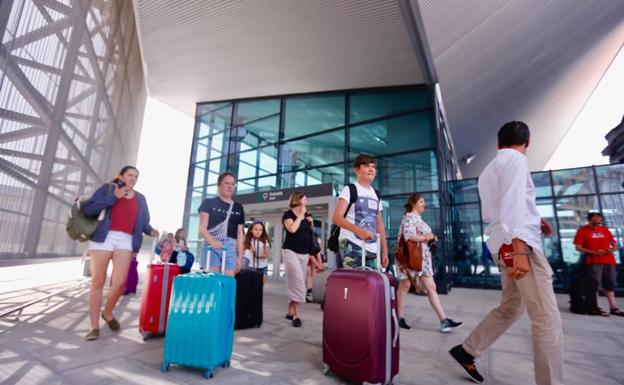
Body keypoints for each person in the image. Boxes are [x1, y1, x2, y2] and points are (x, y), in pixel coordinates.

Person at [449, 121, 563, 385]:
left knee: (513, 306)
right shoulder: (517, 160)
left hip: (503, 245)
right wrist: (519, 246)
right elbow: (512, 202)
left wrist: (534, 221)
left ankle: (466, 351)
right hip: (518, 246)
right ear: (527, 143)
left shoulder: (489, 169)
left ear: (498, 142)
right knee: (546, 319)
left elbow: (499, 209)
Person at [83, 166, 159, 341]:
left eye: (136, 176)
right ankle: (94, 327)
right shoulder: (108, 189)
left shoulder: (140, 198)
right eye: (130, 175)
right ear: (121, 176)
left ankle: (107, 313)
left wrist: (152, 231)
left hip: (126, 239)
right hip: (103, 237)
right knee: (98, 281)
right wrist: (112, 198)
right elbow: (90, 210)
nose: (133, 178)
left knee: (119, 283)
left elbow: (144, 223)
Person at [396, 193, 463, 332]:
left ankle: (443, 320)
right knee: (405, 287)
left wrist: (430, 237)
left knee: (429, 287)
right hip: (412, 259)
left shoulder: (417, 219)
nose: (423, 205)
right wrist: (428, 236)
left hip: (421, 260)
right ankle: (398, 317)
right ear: (413, 203)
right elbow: (409, 236)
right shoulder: (410, 218)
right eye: (421, 202)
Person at [331, 154, 389, 270]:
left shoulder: (377, 194)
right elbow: (336, 217)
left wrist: (385, 250)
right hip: (351, 243)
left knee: (371, 285)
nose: (371, 169)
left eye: (373, 166)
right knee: (354, 284)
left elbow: (379, 224)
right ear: (356, 170)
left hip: (373, 247)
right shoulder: (350, 189)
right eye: (367, 166)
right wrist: (359, 231)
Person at [573, 211, 622, 316]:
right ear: (590, 219)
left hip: (609, 261)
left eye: (600, 217)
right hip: (593, 262)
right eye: (597, 217)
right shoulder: (582, 230)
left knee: (610, 284)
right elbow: (578, 247)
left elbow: (614, 243)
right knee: (594, 286)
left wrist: (612, 249)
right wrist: (595, 252)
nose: (600, 219)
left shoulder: (605, 230)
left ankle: (613, 307)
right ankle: (595, 307)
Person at [198, 172, 245, 275]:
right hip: (212, 246)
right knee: (213, 282)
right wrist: (213, 242)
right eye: (226, 183)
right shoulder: (208, 203)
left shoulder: (238, 207)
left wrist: (240, 256)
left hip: (231, 248)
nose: (230, 186)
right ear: (219, 185)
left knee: (228, 282)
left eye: (233, 184)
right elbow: (202, 228)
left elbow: (240, 233)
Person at [282, 191, 315, 327]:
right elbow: (292, 229)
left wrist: (310, 224)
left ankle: (290, 311)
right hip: (291, 251)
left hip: (304, 253)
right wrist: (301, 215)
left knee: (297, 281)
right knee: (297, 281)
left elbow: (308, 234)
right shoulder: (288, 215)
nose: (306, 202)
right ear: (297, 200)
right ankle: (296, 315)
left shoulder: (307, 217)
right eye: (305, 199)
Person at [243, 219, 272, 285]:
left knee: (260, 287)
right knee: (251, 287)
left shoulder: (265, 241)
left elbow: (266, 255)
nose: (258, 232)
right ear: (251, 230)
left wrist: (256, 254)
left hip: (263, 268)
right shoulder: (248, 241)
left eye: (260, 230)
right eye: (256, 229)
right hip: (251, 267)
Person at [306, 235, 325, 303]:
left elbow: (321, 267)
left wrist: (318, 253)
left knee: (311, 274)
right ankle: (309, 293)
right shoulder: (310, 254)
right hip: (304, 259)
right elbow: (320, 267)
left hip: (310, 259)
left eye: (320, 243)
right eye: (318, 243)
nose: (320, 245)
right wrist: (318, 253)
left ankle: (309, 292)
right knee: (309, 274)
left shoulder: (316, 253)